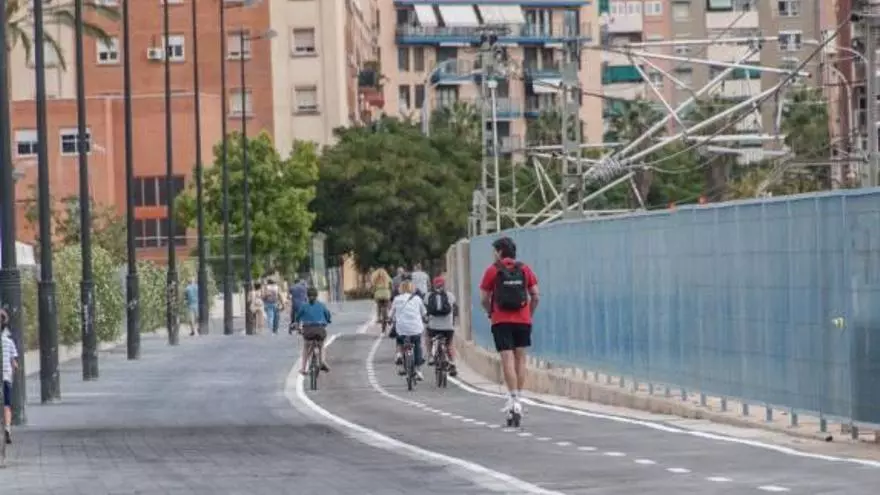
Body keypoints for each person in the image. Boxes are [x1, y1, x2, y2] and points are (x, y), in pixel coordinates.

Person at [479, 236, 539, 419]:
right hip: (523, 320)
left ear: (499, 252)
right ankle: (519, 399)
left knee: (507, 358)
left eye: (494, 251)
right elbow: (535, 295)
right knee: (521, 358)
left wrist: (491, 312)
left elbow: (483, 298)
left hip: (501, 320)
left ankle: (512, 398)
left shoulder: (492, 270)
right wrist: (529, 314)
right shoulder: (525, 269)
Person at [389, 280, 427, 381]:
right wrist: (425, 318)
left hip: (402, 329)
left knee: (400, 339)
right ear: (412, 288)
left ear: (400, 289)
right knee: (417, 345)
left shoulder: (397, 299)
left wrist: (389, 319)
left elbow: (391, 313)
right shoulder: (417, 299)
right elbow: (424, 313)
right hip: (415, 329)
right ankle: (418, 371)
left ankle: (399, 355)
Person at [424, 276, 457, 376]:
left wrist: (426, 319)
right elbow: (455, 310)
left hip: (433, 327)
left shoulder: (428, 295)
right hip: (448, 327)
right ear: (444, 285)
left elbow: (425, 311)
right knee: (449, 344)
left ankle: (430, 356)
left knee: (427, 335)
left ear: (433, 285)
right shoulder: (450, 295)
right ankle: (452, 363)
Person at [295, 287, 332, 374]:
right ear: (317, 296)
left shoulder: (304, 306)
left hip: (308, 331)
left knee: (306, 347)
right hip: (320, 330)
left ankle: (303, 368)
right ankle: (322, 361)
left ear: (307, 296)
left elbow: (297, 317)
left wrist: (297, 327)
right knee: (321, 345)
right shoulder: (321, 305)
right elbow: (327, 315)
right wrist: (327, 320)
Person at [1, 309, 18, 445]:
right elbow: (14, 363)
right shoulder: (9, 342)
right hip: (6, 376)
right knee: (7, 405)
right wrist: (14, 368)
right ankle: (7, 428)